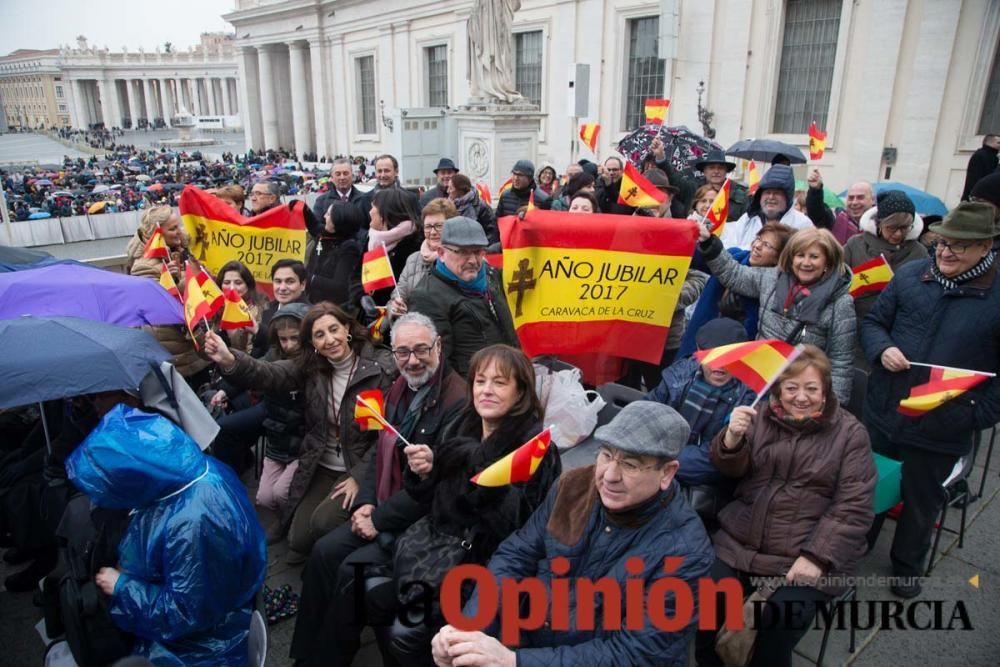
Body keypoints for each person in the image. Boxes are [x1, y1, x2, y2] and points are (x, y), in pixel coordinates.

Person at [432, 400, 713, 666]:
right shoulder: (574, 486)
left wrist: (512, 661)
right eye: (606, 455)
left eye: (630, 464)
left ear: (667, 473)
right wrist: (468, 632)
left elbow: (634, 655)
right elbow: (516, 554)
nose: (609, 475)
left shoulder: (686, 551)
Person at [289, 313, 468, 666]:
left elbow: (435, 491)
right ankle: (305, 654)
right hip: (389, 505)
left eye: (421, 350)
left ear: (439, 346)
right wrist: (367, 501)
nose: (412, 360)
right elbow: (380, 450)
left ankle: (329, 657)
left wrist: (379, 517)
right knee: (324, 552)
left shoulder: (456, 402)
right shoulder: (400, 387)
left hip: (423, 525)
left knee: (348, 574)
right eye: (402, 352)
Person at [695, 345, 876, 667]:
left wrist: (816, 557)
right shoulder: (759, 415)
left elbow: (854, 505)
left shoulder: (850, 434)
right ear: (778, 389)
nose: (801, 397)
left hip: (806, 553)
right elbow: (731, 471)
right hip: (741, 539)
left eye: (811, 389)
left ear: (826, 391)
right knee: (706, 596)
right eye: (791, 388)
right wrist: (730, 441)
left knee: (780, 619)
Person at [387, 344, 561, 663]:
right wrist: (424, 470)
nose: (487, 391)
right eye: (480, 381)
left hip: (483, 563)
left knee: (404, 634)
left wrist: (481, 470)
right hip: (435, 544)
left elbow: (521, 529)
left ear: (521, 391)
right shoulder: (463, 427)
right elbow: (429, 497)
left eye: (499, 382)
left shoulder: (535, 449)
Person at [861, 202, 1000, 598]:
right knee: (871, 483)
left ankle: (907, 566)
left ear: (986, 246)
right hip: (888, 408)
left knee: (922, 500)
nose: (946, 252)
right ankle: (858, 544)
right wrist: (882, 349)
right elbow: (873, 323)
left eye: (960, 245)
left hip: (945, 420)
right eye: (942, 243)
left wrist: (971, 415)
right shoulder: (909, 275)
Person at [66, 405, 266, 666]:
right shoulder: (190, 472)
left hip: (201, 648)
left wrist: (122, 587)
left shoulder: (193, 525)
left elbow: (185, 613)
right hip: (208, 613)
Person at [204, 302, 397, 562]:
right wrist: (229, 360)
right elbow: (268, 373)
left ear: (347, 328)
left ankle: (343, 549)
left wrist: (359, 477)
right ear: (312, 343)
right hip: (321, 464)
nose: (330, 340)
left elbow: (382, 436)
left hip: (355, 465)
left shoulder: (377, 370)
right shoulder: (311, 369)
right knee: (298, 539)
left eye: (334, 329)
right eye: (319, 335)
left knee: (322, 524)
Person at [698, 225, 856, 403]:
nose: (805, 263)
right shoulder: (773, 279)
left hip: (799, 394)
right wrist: (710, 244)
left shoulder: (840, 303)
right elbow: (735, 275)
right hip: (758, 382)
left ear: (827, 262)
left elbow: (841, 360)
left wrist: (833, 407)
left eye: (814, 257)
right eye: (800, 255)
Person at [210, 303, 309, 538]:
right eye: (283, 339)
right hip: (277, 432)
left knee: (281, 493)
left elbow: (266, 372)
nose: (290, 345)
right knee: (264, 497)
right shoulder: (275, 353)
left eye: (295, 338)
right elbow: (259, 368)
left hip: (302, 438)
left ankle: (290, 523)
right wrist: (226, 385)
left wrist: (231, 359)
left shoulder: (309, 360)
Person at [646, 318, 755, 489]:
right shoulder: (678, 375)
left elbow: (718, 459)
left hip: (705, 484)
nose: (719, 366)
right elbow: (648, 411)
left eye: (728, 358)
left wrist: (659, 463)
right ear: (698, 352)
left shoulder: (749, 397)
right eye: (711, 356)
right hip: (658, 463)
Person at [407, 216, 519, 377]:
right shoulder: (426, 297)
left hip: (509, 376)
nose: (473, 260)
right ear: (441, 253)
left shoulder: (491, 275)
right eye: (463, 252)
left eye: (478, 251)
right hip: (475, 390)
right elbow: (437, 364)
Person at [680, 223, 794, 358]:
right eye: (758, 239)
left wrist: (737, 319)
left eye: (767, 245)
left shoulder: (772, 290)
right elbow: (697, 257)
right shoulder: (735, 256)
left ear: (780, 257)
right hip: (695, 345)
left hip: (729, 358)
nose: (757, 246)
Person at [843, 190, 927, 368]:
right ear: (879, 223)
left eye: (904, 228)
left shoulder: (919, 252)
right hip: (854, 327)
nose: (897, 234)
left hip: (896, 334)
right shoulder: (855, 245)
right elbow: (839, 282)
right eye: (892, 227)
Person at [129, 207, 212, 384]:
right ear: (157, 233)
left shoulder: (183, 252)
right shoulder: (143, 266)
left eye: (179, 226)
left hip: (195, 345)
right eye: (173, 228)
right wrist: (174, 281)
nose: (180, 232)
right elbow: (153, 304)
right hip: (175, 350)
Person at [388, 198, 457, 319]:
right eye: (428, 227)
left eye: (439, 226)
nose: (433, 232)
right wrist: (395, 307)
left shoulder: (462, 257)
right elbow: (398, 294)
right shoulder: (413, 259)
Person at [719, 164, 813, 250]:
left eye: (777, 193)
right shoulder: (748, 220)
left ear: (787, 197)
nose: (771, 197)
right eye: (767, 192)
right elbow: (729, 246)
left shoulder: (802, 224)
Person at [652, 142, 749, 221]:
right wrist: (661, 157)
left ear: (726, 171)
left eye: (720, 168)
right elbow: (673, 178)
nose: (716, 171)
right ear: (704, 171)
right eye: (711, 168)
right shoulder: (693, 188)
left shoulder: (740, 194)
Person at [306, 201, 364, 311]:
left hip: (334, 310)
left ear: (337, 221)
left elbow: (340, 286)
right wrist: (305, 210)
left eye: (328, 214)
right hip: (316, 304)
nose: (324, 217)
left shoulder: (350, 248)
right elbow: (315, 227)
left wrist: (309, 278)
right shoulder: (327, 236)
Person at [369, 187, 422, 304]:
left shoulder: (415, 245)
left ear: (386, 212)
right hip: (372, 312)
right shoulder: (373, 238)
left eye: (373, 207)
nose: (370, 212)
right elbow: (359, 276)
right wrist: (360, 295)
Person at [252, 259, 310, 358]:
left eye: (290, 281)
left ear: (303, 285)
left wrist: (259, 330)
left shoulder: (311, 315)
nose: (282, 287)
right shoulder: (266, 309)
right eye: (278, 281)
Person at [215, 260, 267, 354]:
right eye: (226, 282)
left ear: (248, 285)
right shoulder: (216, 309)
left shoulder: (262, 310)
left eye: (238, 283)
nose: (232, 288)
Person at [805, 168, 860, 244]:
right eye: (851, 198)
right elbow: (817, 213)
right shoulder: (838, 217)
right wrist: (815, 190)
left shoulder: (878, 226)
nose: (854, 202)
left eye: (860, 197)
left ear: (872, 200)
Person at [312, 158, 367, 222]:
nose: (342, 177)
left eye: (345, 173)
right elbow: (317, 228)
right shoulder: (321, 201)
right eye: (338, 174)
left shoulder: (364, 199)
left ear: (352, 176)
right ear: (332, 178)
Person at [448, 173, 498, 243]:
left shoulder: (481, 206)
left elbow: (492, 233)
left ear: (460, 189)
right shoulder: (448, 206)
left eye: (451, 188)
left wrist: (481, 248)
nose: (448, 191)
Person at [961, 133, 1000, 201]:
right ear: (989, 143)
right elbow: (973, 178)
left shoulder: (994, 156)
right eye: (998, 142)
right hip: (977, 198)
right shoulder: (980, 155)